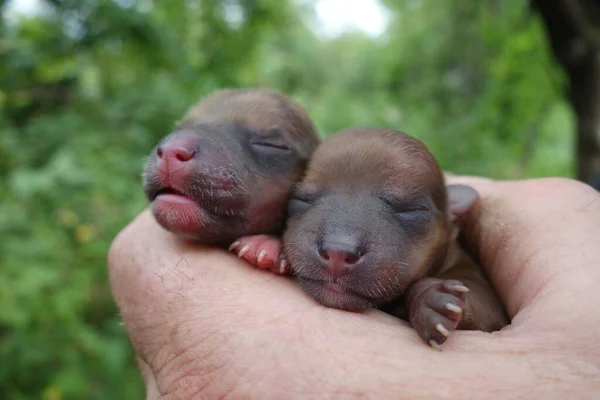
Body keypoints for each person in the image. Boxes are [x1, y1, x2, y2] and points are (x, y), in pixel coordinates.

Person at [108, 174, 600, 399]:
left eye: (405, 213)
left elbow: (484, 313)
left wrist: (424, 291)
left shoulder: (459, 261)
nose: (339, 247)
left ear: (454, 215)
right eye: (303, 208)